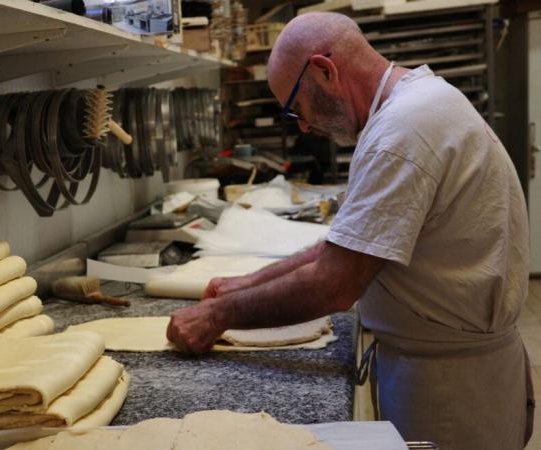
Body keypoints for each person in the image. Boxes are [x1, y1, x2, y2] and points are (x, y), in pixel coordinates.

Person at [166, 12, 534, 450]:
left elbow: (334, 284)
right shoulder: (416, 105)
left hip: (451, 391)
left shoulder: (401, 133)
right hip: (444, 368)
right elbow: (346, 246)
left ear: (325, 70)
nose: (302, 125)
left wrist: (217, 315)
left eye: (295, 109)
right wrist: (243, 284)